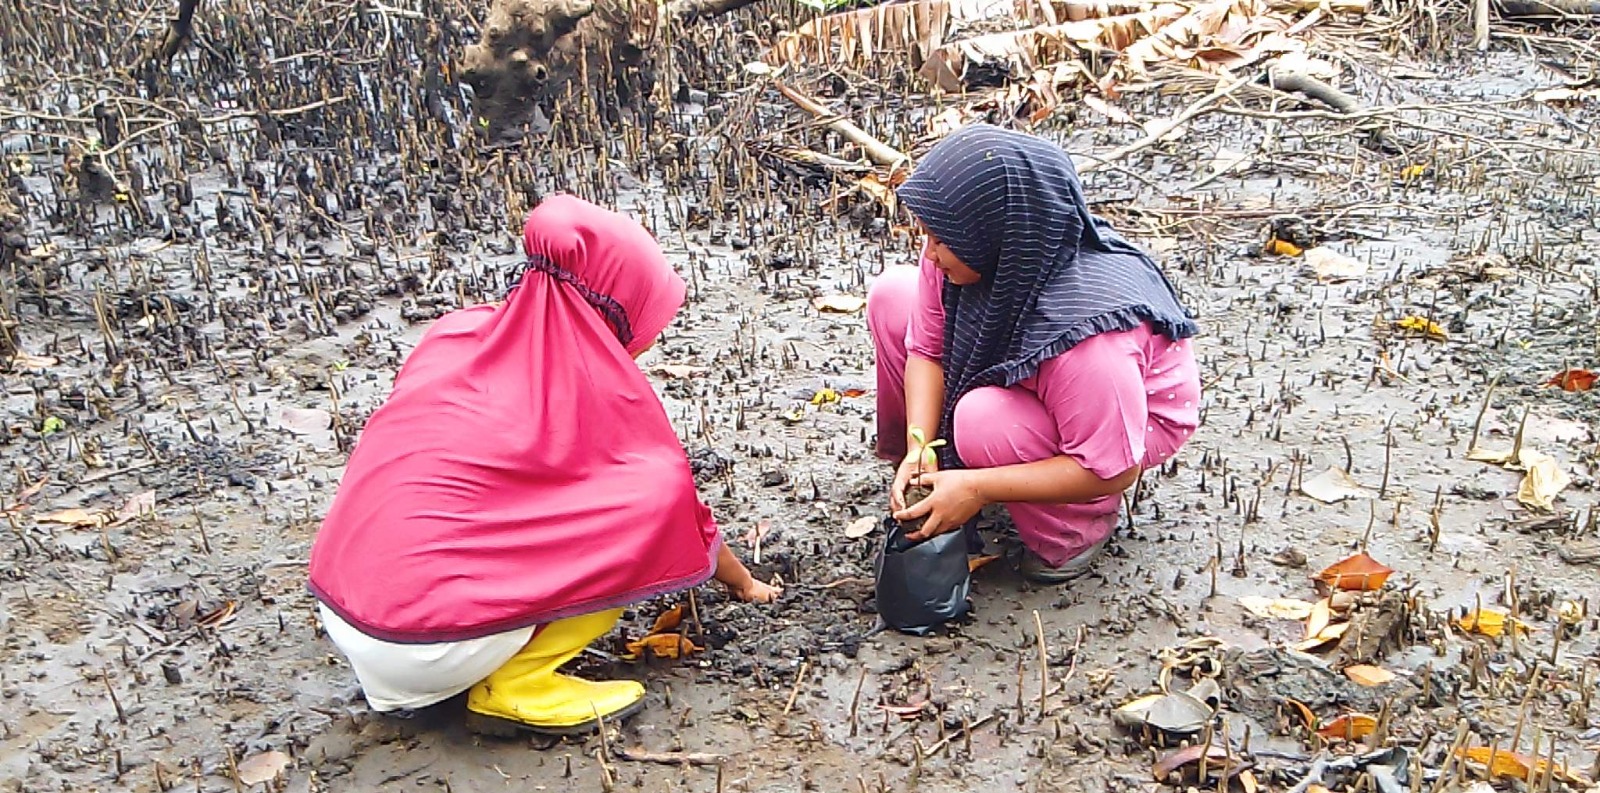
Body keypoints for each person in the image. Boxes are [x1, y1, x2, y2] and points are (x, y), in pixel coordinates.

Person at [308, 194, 779, 736]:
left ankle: (464, 658)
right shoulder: (592, 389)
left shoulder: (454, 334)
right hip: (426, 644)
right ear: (615, 311)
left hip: (349, 615)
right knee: (646, 499)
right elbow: (675, 508)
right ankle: (517, 683)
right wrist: (745, 585)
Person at [869, 124, 1201, 584]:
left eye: (940, 241)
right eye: (925, 235)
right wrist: (919, 445)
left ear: (993, 237)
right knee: (891, 296)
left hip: (1124, 425)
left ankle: (1071, 532)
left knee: (981, 418)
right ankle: (938, 474)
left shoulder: (1089, 337)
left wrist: (978, 488)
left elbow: (1112, 469)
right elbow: (927, 349)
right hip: (1039, 370)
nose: (929, 254)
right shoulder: (972, 257)